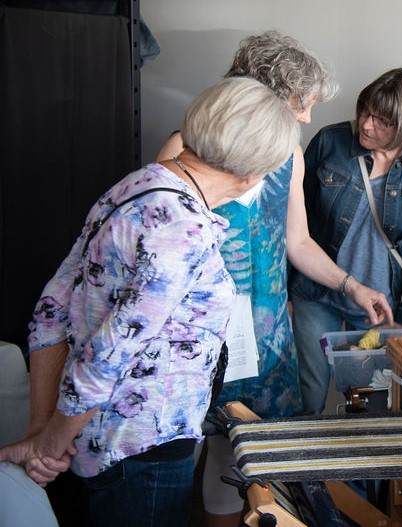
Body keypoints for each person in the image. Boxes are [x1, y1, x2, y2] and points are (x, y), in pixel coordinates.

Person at [0, 76, 299, 527]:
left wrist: (46, 429)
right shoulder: (185, 230)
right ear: (252, 174)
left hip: (98, 443)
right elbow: (106, 354)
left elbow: (51, 309)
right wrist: (47, 442)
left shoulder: (138, 185)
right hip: (143, 449)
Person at [155, 31, 394, 527]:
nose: (307, 118)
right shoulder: (186, 147)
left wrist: (353, 285)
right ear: (260, 94)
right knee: (180, 453)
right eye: (299, 104)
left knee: (246, 454)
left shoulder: (291, 153)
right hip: (198, 332)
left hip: (265, 335)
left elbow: (299, 243)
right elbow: (159, 254)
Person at [290, 67, 402, 415]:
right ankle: (305, 467)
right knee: (309, 391)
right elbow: (292, 223)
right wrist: (285, 291)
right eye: (365, 111)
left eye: (381, 121)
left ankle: (362, 472)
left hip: (378, 307)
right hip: (317, 293)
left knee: (370, 400)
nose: (365, 124)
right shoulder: (329, 143)